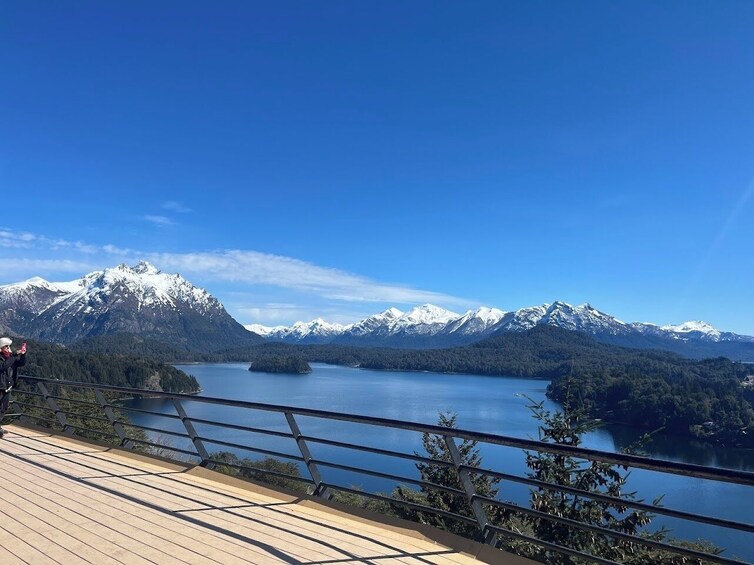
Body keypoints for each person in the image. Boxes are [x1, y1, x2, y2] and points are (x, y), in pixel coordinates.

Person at [0, 337, 27, 438]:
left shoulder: (11, 357)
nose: (8, 348)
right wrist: (15, 355)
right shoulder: (4, 358)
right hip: (0, 385)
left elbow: (21, 363)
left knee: (4, 408)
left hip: (7, 386)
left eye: (8, 346)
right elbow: (4, 366)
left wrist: (23, 355)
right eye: (6, 346)